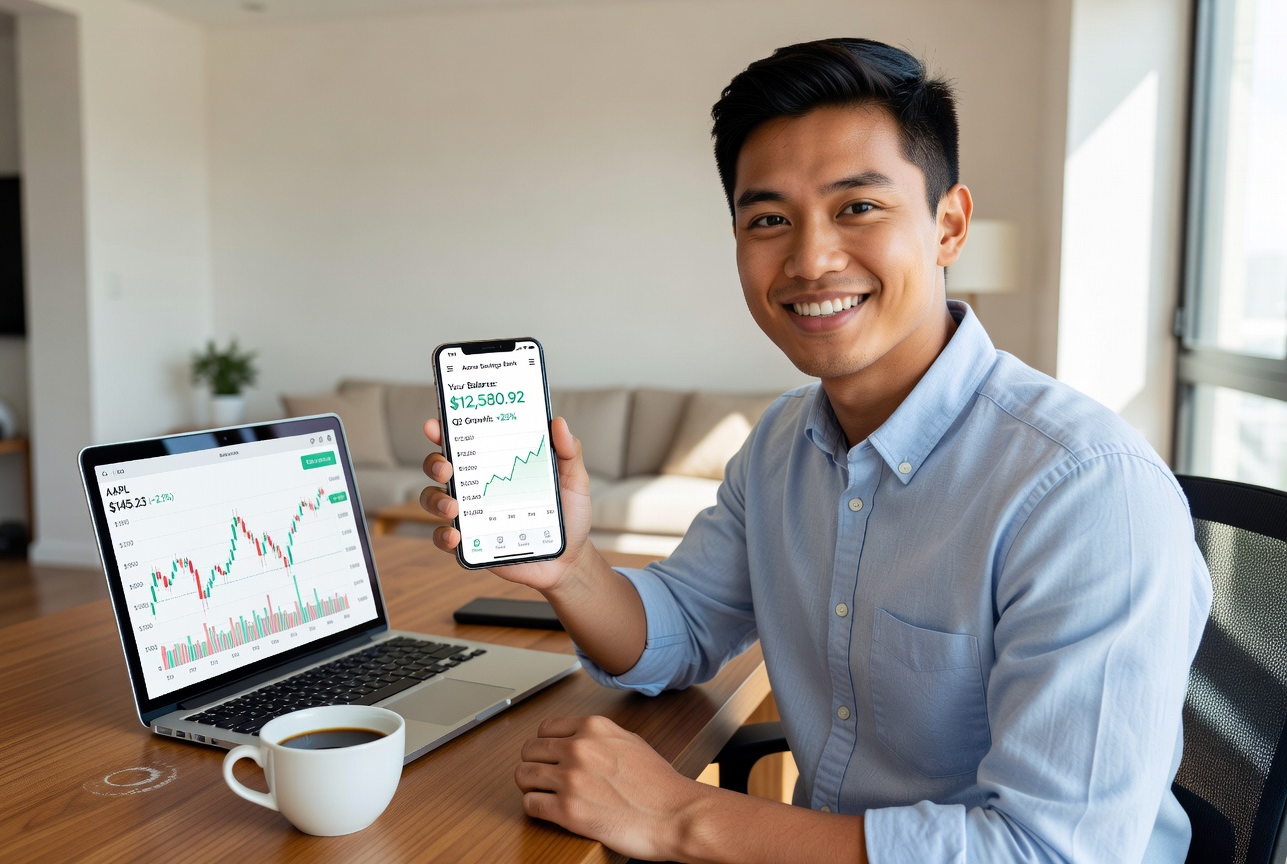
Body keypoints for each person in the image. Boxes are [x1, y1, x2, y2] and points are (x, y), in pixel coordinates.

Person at [420, 37, 1212, 863]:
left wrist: (680, 818)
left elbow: (1050, 854)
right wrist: (570, 565)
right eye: (769, 220)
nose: (809, 259)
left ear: (949, 226)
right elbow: (683, 630)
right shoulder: (783, 445)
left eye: (858, 207)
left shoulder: (1086, 492)